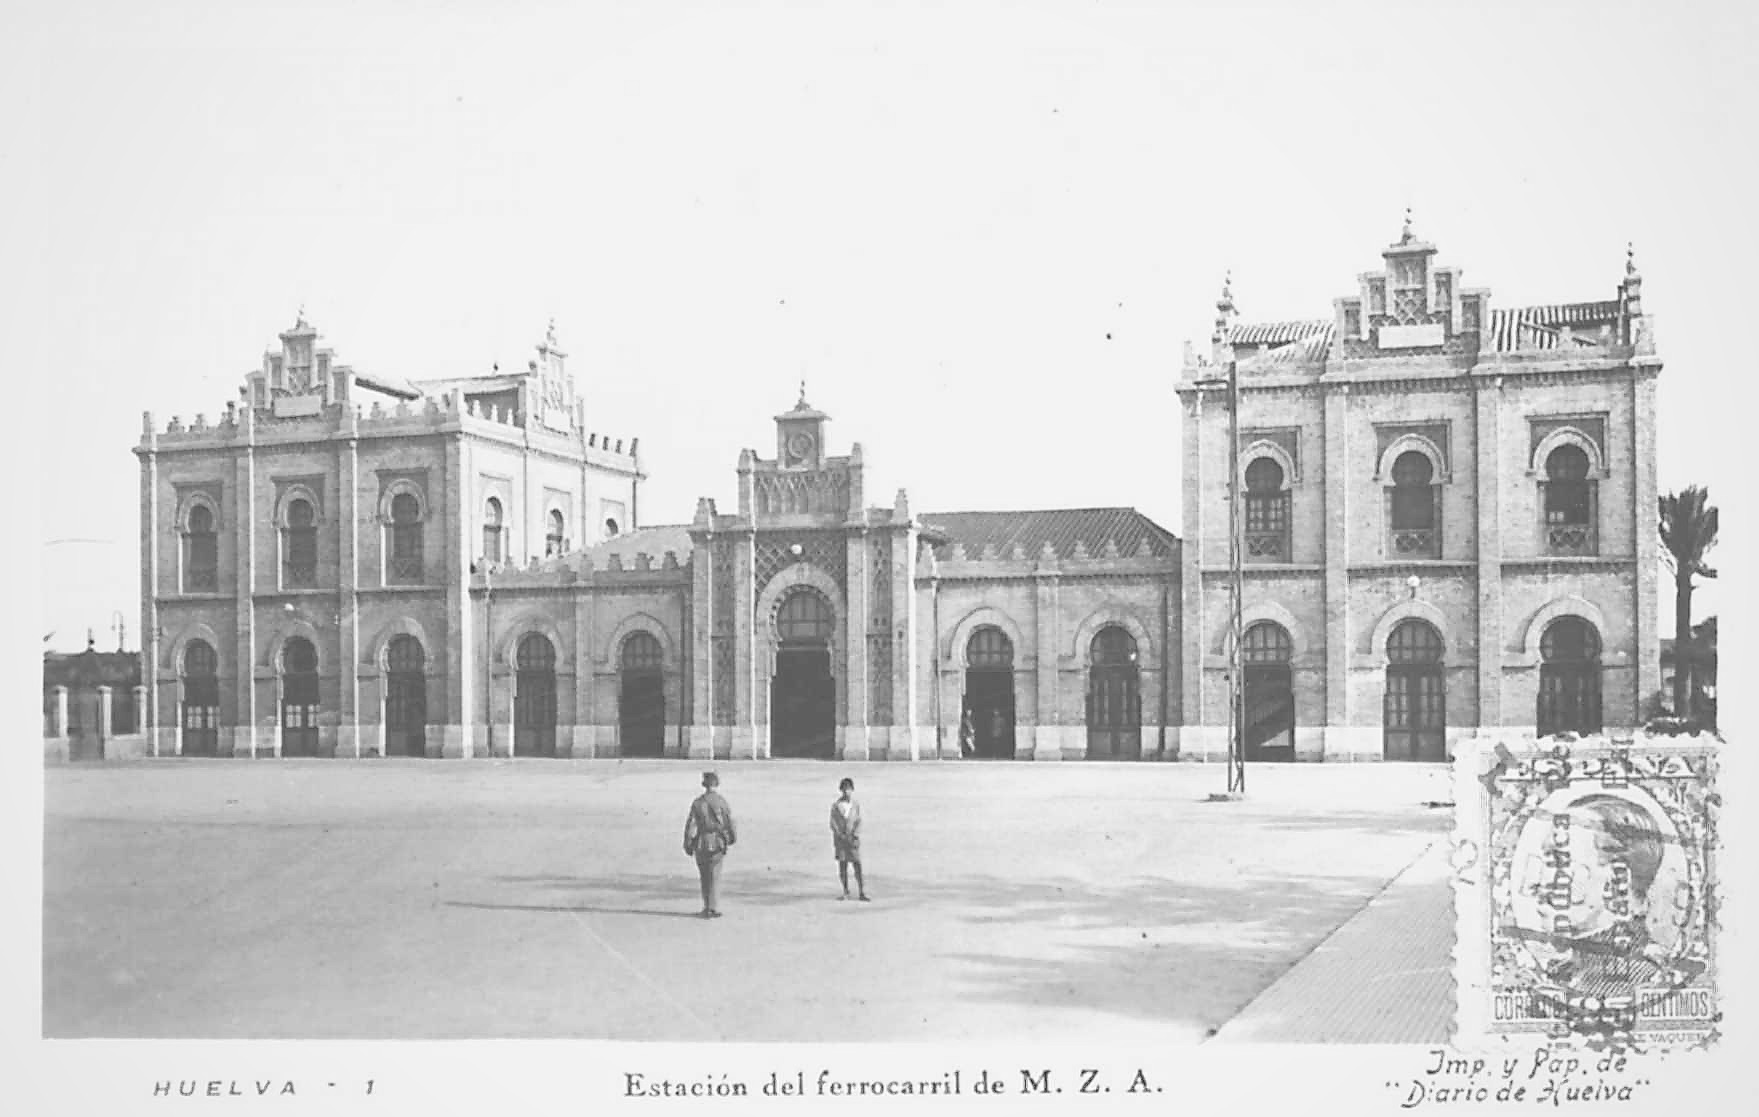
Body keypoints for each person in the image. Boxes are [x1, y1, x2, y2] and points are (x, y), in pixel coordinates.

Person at [683, 771, 736, 918]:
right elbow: (729, 822)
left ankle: (707, 906)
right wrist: (731, 837)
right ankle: (713, 906)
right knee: (715, 875)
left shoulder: (698, 803)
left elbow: (691, 825)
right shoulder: (722, 802)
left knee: (704, 875)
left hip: (701, 842)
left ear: (704, 784)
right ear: (716, 784)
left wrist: (687, 843)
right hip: (718, 842)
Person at [829, 777, 869, 901]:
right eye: (845, 789)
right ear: (841, 790)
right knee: (843, 866)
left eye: (849, 789)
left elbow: (858, 821)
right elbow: (833, 823)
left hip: (853, 840)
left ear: (852, 790)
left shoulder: (855, 805)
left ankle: (862, 891)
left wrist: (855, 834)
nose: (847, 792)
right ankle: (845, 891)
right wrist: (840, 835)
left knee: (857, 865)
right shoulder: (836, 806)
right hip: (841, 841)